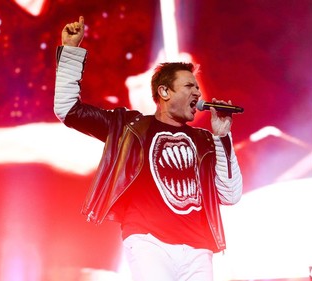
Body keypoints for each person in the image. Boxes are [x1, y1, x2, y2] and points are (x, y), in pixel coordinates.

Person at [54, 16, 243, 281]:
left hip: (199, 248)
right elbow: (68, 110)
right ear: (164, 92)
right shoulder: (129, 127)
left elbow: (230, 194)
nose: (198, 94)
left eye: (198, 88)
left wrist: (223, 137)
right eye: (189, 86)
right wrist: (72, 52)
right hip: (149, 240)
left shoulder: (205, 140)